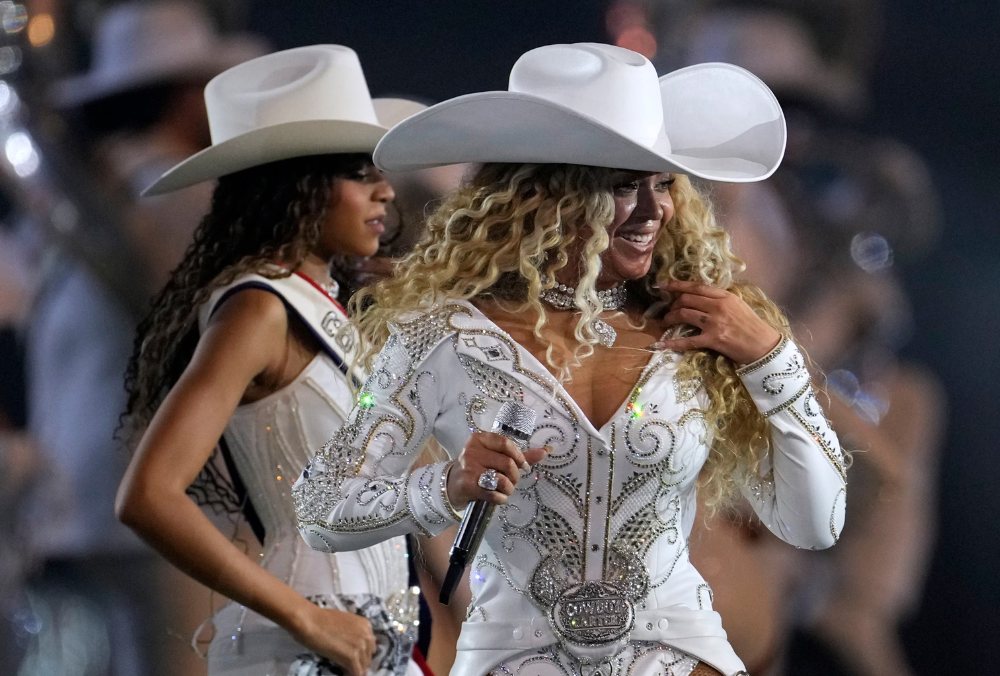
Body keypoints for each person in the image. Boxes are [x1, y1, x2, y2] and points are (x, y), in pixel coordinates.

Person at [294, 43, 847, 676]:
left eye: (664, 183)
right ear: (545, 197)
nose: (656, 209)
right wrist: (445, 486)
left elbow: (816, 524)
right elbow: (320, 508)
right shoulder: (438, 337)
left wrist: (772, 361)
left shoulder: (705, 326)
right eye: (623, 187)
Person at [116, 45, 425, 676]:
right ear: (298, 185)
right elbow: (148, 495)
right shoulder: (257, 310)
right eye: (359, 173)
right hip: (303, 644)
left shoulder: (328, 306)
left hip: (371, 640)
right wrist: (305, 617)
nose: (386, 189)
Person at [22, 4, 262, 674]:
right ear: (190, 97)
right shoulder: (193, 198)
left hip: (68, 501)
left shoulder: (75, 197)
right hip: (169, 506)